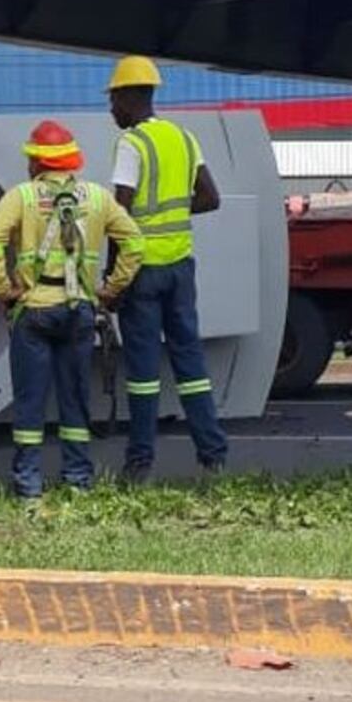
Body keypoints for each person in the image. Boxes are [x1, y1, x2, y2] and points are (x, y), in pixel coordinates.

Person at [0, 120, 144, 500]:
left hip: (33, 311)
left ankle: (28, 487)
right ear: (72, 162)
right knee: (75, 400)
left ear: (37, 162)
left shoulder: (19, 197)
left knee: (29, 402)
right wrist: (109, 290)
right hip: (79, 312)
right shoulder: (99, 198)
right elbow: (134, 244)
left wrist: (5, 292)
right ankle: (78, 481)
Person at [108, 56, 229, 482]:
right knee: (190, 362)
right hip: (180, 267)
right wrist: (174, 211)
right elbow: (211, 198)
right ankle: (213, 455)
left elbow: (118, 214)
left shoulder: (132, 144)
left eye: (113, 100)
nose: (111, 110)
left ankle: (139, 464)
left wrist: (112, 279)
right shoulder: (183, 137)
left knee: (143, 372)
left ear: (127, 96)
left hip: (142, 271)